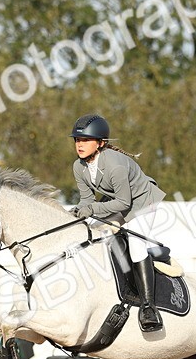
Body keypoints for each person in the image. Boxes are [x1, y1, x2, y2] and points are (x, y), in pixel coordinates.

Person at [67, 113, 167, 332]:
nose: (80, 145)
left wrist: (91, 209)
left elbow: (123, 203)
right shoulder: (79, 167)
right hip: (118, 203)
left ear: (101, 143)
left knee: (136, 244)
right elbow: (87, 200)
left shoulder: (115, 165)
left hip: (142, 203)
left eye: (85, 140)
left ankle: (149, 308)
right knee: (91, 234)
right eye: (77, 140)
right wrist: (78, 212)